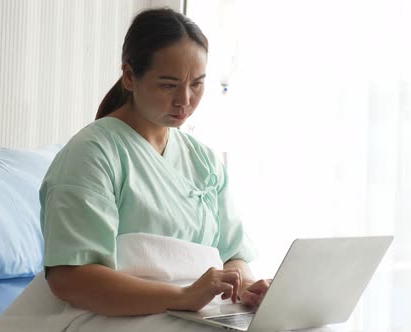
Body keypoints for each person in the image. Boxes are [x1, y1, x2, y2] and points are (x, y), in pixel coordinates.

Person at [40, 8, 270, 317]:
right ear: (130, 76)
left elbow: (233, 255)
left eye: (197, 84)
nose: (185, 100)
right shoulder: (92, 154)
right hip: (114, 316)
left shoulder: (203, 160)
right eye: (168, 84)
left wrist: (244, 287)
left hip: (198, 313)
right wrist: (183, 296)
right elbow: (70, 279)